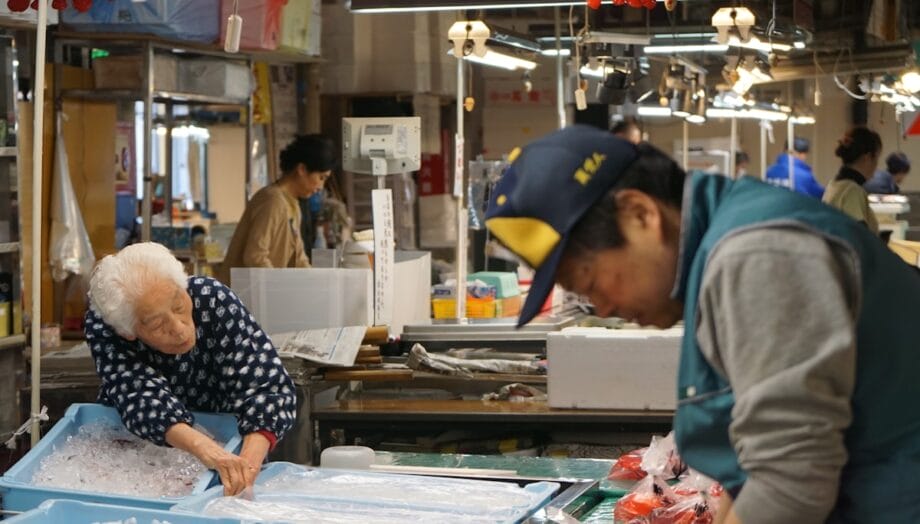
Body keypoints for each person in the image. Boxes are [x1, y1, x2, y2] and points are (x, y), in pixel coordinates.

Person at [484, 125, 920, 522]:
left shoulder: (758, 255)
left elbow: (790, 483)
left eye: (588, 280)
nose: (600, 306)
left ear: (640, 214)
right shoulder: (721, 247)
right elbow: (756, 470)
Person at [85, 242, 297, 496]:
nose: (179, 328)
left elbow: (266, 388)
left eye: (178, 306)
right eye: (156, 324)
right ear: (128, 332)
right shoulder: (107, 325)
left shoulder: (212, 299)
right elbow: (142, 397)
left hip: (229, 436)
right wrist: (209, 452)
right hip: (141, 454)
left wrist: (246, 470)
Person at [220, 134, 337, 283]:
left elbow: (299, 258)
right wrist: (277, 287)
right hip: (241, 298)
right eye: (321, 178)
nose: (321, 187)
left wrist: (316, 284)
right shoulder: (273, 201)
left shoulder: (293, 204)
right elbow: (255, 256)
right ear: (301, 169)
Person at [822, 127, 882, 235]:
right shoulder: (852, 190)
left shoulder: (834, 185)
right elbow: (858, 238)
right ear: (867, 157)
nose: (877, 166)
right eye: (877, 158)